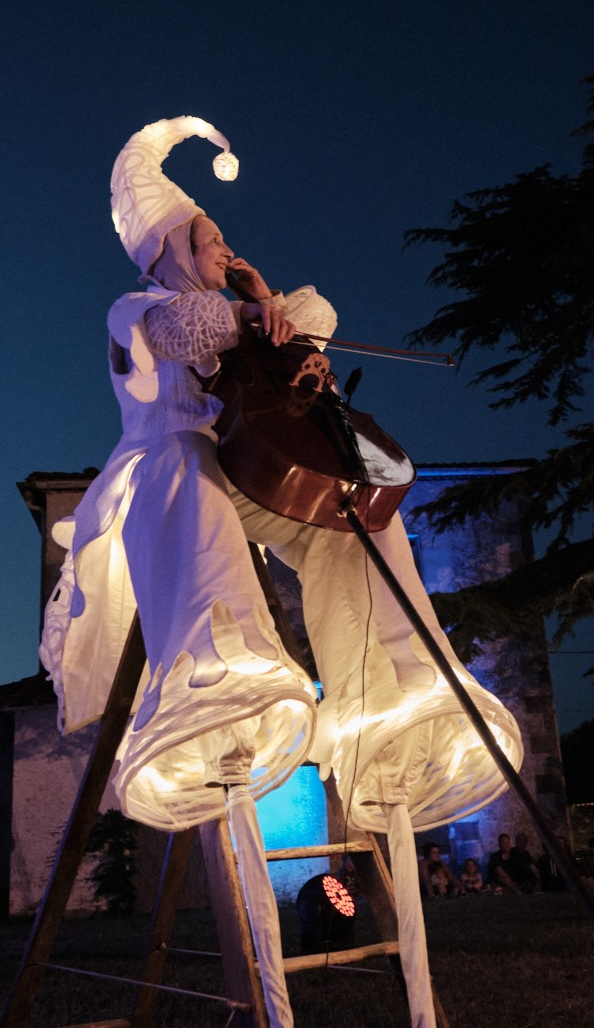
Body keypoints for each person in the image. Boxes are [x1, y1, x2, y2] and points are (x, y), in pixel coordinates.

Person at [41, 115, 525, 1028]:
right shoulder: (137, 307)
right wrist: (243, 308)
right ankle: (231, 677)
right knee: (194, 487)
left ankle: (392, 694)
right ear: (168, 249)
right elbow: (186, 328)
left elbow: (316, 326)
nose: (225, 251)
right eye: (209, 240)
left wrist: (270, 303)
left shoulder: (248, 308)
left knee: (358, 520)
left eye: (226, 241)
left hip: (250, 468)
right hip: (174, 477)